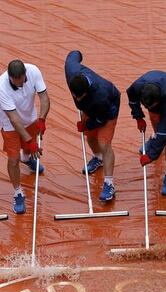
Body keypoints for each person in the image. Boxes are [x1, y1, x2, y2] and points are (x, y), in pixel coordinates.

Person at [65, 50, 121, 202]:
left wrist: (88, 124)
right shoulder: (72, 71)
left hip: (109, 109)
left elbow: (101, 119)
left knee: (104, 144)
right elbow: (72, 56)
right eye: (74, 95)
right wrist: (78, 53)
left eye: (78, 96)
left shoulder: (101, 95)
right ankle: (98, 158)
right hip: (90, 108)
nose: (75, 98)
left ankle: (109, 183)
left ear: (86, 92)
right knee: (90, 138)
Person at [0, 59, 51, 214]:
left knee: (28, 150)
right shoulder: (2, 87)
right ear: (10, 77)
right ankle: (18, 192)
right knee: (13, 159)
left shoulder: (33, 70)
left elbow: (44, 97)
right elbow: (14, 119)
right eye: (17, 83)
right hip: (9, 124)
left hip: (29, 116)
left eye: (23, 81)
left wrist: (42, 119)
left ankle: (27, 160)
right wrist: (29, 140)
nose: (21, 85)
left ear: (25, 74)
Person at [126, 71, 166, 196]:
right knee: (154, 119)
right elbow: (132, 100)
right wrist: (138, 117)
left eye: (151, 106)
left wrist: (151, 155)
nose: (149, 109)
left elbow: (164, 129)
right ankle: (154, 137)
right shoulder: (136, 87)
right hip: (155, 92)